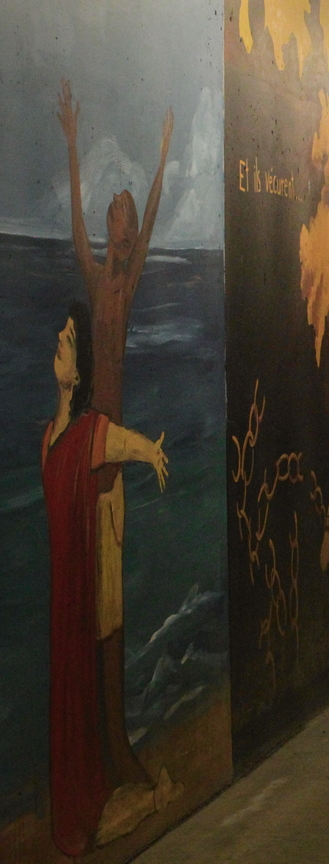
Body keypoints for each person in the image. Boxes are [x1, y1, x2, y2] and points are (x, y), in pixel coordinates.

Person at [57, 81, 173, 791]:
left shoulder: (124, 288)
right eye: (117, 213)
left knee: (111, 604)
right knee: (98, 605)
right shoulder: (103, 282)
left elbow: (157, 216)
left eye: (126, 214)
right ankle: (110, 749)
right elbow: (73, 226)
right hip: (99, 449)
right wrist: (72, 145)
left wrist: (161, 161)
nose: (121, 221)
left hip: (113, 457)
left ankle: (115, 743)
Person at [43, 301, 177, 856]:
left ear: (81, 367)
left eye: (69, 339)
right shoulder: (52, 435)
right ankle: (124, 803)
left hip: (79, 595)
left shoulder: (91, 431)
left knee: (85, 745)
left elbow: (126, 442)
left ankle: (140, 802)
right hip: (64, 599)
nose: (59, 340)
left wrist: (153, 454)